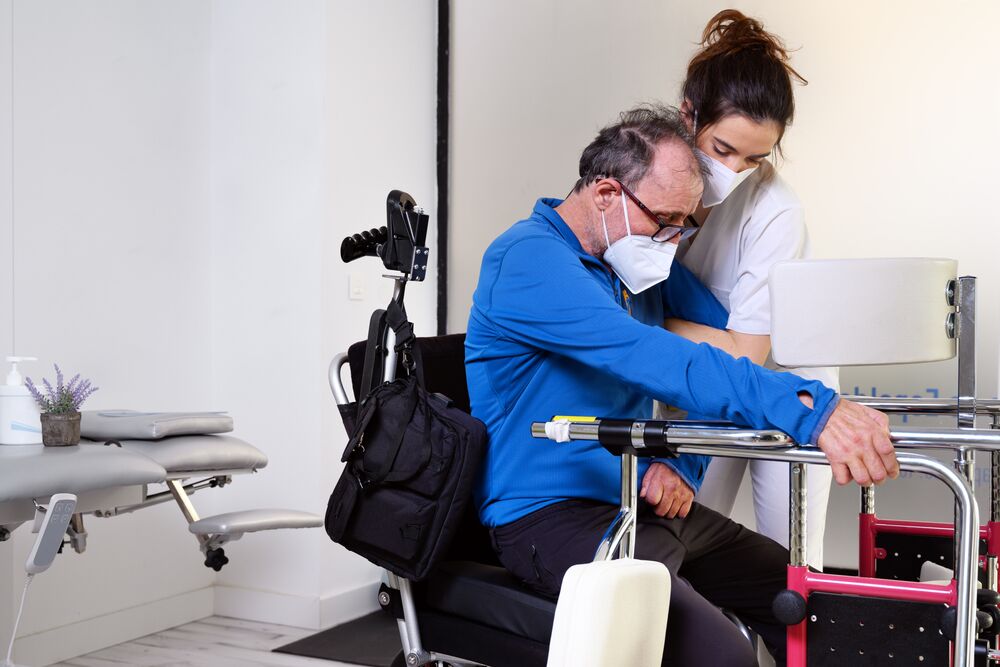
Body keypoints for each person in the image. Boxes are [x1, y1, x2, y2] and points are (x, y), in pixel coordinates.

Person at [465, 104, 896, 666]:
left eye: (683, 226)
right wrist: (811, 413)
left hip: (637, 496)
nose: (671, 243)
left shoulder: (636, 263)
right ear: (605, 195)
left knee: (809, 603)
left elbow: (730, 351)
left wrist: (683, 464)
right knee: (721, 655)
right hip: (547, 516)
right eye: (664, 221)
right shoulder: (526, 260)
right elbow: (663, 360)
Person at [654, 10, 835, 569]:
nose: (735, 170)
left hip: (783, 384)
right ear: (689, 115)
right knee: (677, 548)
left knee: (791, 570)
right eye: (724, 149)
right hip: (700, 382)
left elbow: (748, 353)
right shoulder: (648, 177)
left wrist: (630, 325)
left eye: (755, 158)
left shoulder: (775, 210)